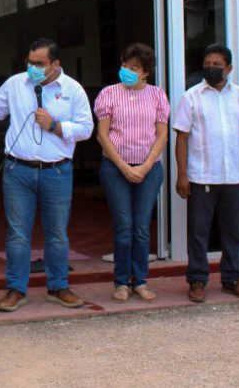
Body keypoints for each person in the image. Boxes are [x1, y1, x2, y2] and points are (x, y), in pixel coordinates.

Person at [0, 38, 94, 312]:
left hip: (57, 171)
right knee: (17, 234)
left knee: (57, 234)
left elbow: (86, 128)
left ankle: (58, 287)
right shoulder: (16, 83)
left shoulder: (72, 89)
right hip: (18, 170)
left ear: (55, 64)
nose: (32, 68)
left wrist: (56, 126)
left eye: (39, 64)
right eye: (30, 62)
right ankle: (16, 290)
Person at [172, 44, 239, 304]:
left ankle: (232, 278)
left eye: (217, 65)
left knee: (232, 231)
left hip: (234, 176)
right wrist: (182, 174)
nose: (211, 68)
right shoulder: (192, 96)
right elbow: (182, 138)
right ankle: (197, 280)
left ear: (229, 68)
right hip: (202, 176)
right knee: (199, 231)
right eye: (207, 64)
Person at [94, 43, 169, 302]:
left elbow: (162, 134)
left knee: (141, 227)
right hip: (116, 168)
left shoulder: (158, 95)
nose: (127, 70)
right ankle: (121, 281)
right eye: (125, 65)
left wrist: (147, 165)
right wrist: (124, 167)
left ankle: (141, 281)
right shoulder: (109, 94)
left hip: (149, 169)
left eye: (134, 68)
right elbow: (102, 135)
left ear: (146, 73)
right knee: (124, 226)